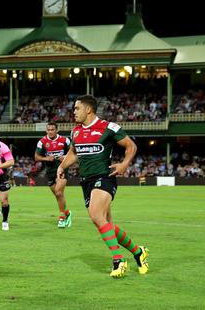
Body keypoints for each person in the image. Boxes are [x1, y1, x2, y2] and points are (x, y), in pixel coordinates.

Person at [57, 95, 149, 278]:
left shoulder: (108, 127)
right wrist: (62, 166)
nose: (73, 112)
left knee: (95, 215)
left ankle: (118, 260)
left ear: (88, 109)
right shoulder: (75, 131)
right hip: (86, 181)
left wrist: (124, 164)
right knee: (107, 225)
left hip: (105, 177)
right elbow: (74, 153)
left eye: (77, 108)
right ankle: (139, 252)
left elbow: (131, 146)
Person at [34, 122, 73, 228]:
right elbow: (36, 157)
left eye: (52, 130)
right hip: (50, 171)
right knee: (58, 195)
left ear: (57, 130)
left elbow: (73, 152)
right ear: (46, 131)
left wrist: (65, 157)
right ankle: (67, 213)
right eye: (48, 130)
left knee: (59, 192)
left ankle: (62, 218)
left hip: (62, 169)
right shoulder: (42, 142)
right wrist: (46, 158)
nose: (50, 132)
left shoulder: (65, 140)